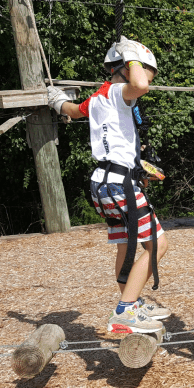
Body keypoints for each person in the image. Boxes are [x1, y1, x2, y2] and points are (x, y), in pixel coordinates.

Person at [47, 36, 170, 334]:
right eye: (142, 71)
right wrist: (133, 55)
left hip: (104, 183)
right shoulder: (119, 91)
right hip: (119, 185)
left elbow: (74, 111)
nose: (142, 87)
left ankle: (132, 301)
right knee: (157, 244)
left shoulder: (100, 97)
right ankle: (126, 311)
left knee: (126, 247)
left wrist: (55, 101)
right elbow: (139, 85)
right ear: (128, 70)